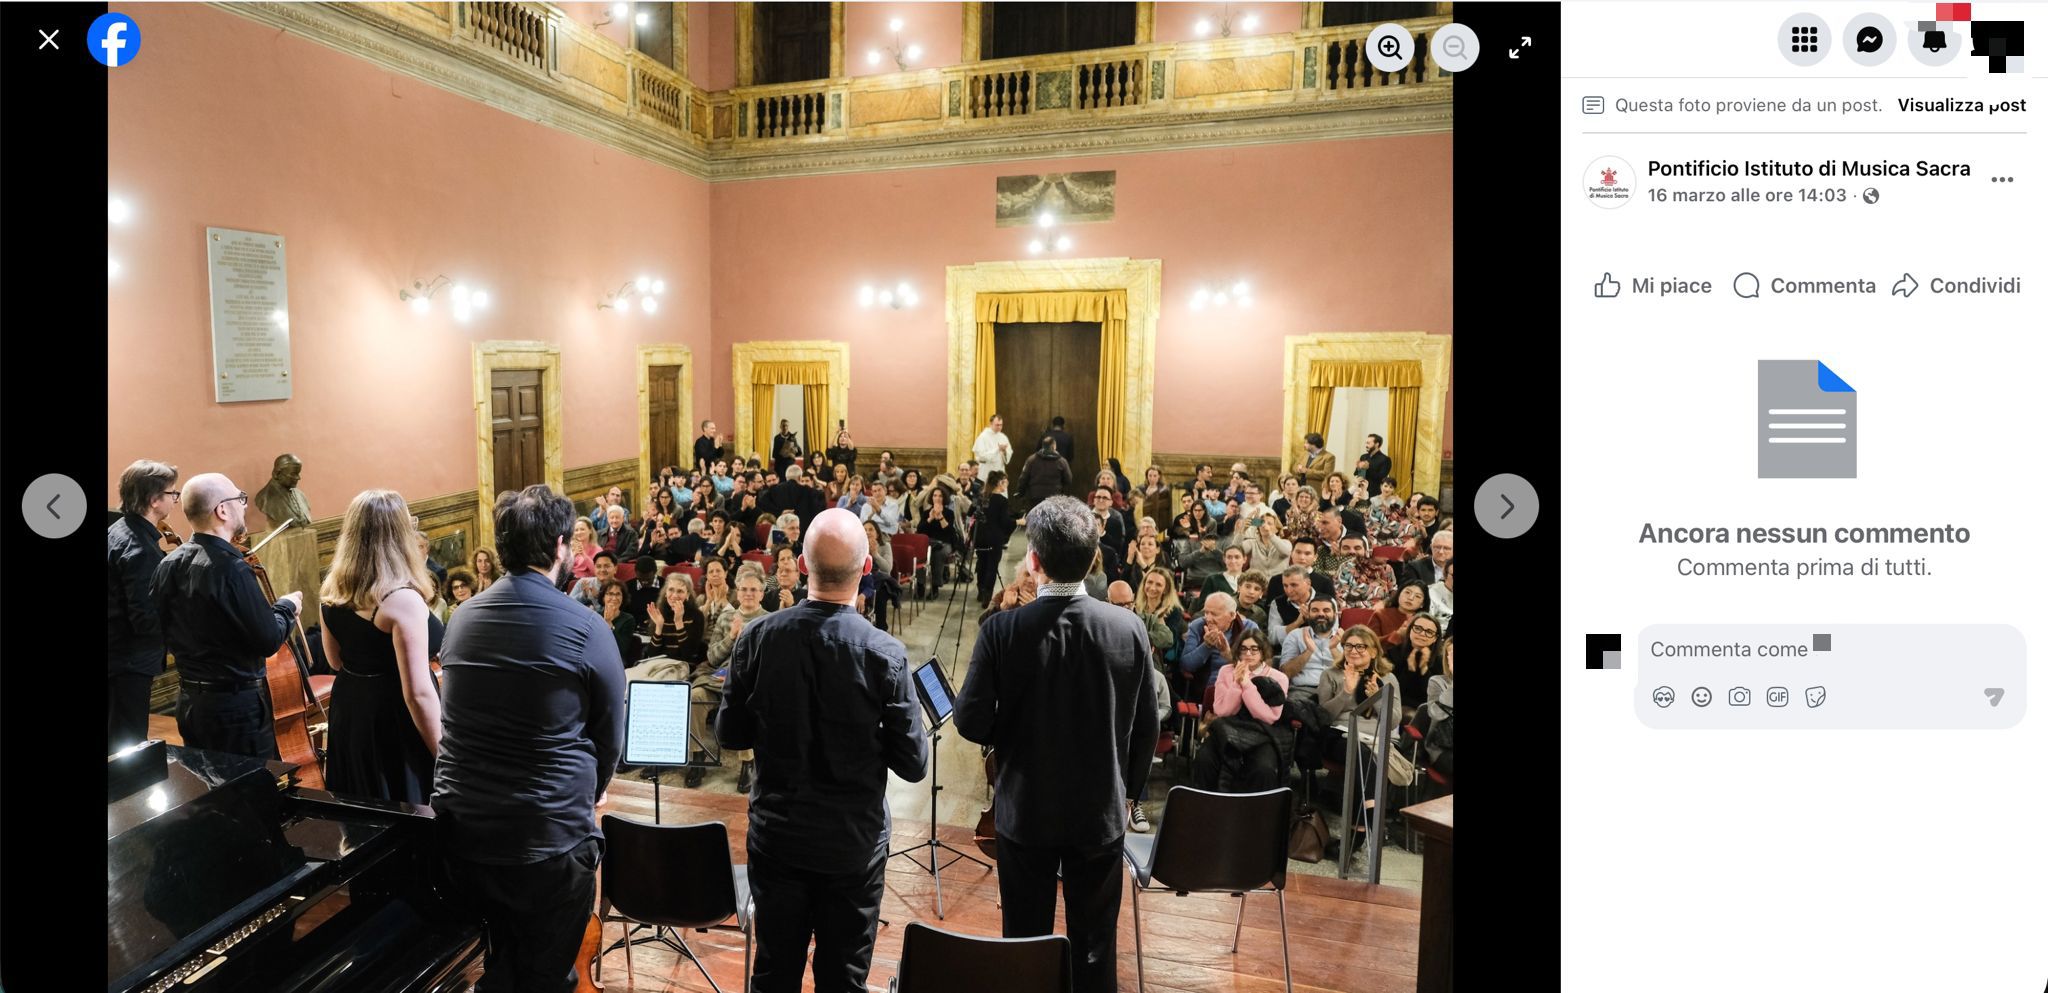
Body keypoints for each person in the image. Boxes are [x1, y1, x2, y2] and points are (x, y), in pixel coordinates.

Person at [715, 508, 926, 993]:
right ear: (867, 567)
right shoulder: (886, 654)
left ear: (803, 566)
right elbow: (913, 764)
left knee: (774, 974)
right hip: (852, 846)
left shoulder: (758, 638)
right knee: (844, 980)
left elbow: (730, 734)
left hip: (778, 838)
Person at [957, 496, 1158, 993]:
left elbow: (970, 721)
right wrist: (1128, 794)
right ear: (1092, 561)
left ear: (1033, 560)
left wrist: (1012, 726)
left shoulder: (1001, 630)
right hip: (1099, 811)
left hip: (1026, 809)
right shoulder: (1128, 627)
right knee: (1096, 945)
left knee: (1024, 942)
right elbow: (1147, 728)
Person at [432, 484, 626, 993]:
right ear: (561, 546)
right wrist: (593, 789)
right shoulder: (586, 627)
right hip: (545, 843)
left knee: (501, 966)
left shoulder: (462, 618)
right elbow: (610, 737)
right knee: (544, 976)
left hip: (463, 839)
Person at [151, 473, 305, 760]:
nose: (244, 506)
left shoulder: (167, 565)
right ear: (222, 510)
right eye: (240, 499)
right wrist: (287, 607)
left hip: (190, 704)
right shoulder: (231, 569)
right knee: (251, 783)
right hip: (236, 709)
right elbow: (268, 640)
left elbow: (160, 630)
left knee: (209, 782)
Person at [319, 490, 444, 805]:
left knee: (362, 807)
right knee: (406, 809)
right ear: (400, 535)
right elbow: (418, 694)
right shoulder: (401, 600)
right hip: (393, 717)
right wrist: (446, 759)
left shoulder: (333, 588)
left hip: (350, 710)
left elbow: (335, 661)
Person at [108, 459, 180, 753]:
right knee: (128, 744)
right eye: (172, 493)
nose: (175, 500)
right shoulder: (140, 548)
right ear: (154, 500)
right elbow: (146, 618)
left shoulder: (118, 530)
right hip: (129, 662)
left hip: (118, 657)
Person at [1313, 626, 1401, 822]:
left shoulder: (1388, 678)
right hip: (1340, 735)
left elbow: (1393, 721)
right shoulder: (1331, 674)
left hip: (1375, 738)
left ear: (1374, 651)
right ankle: (1369, 816)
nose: (1353, 651)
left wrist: (1377, 699)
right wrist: (1346, 692)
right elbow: (1324, 717)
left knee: (1367, 755)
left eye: (1361, 646)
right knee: (1362, 754)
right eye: (1349, 646)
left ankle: (1360, 825)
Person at [1191, 628, 1289, 793]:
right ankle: (1207, 804)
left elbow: (1269, 717)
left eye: (1254, 649)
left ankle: (1254, 808)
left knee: (1264, 769)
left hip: (1261, 732)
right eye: (1243, 649)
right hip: (1227, 728)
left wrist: (1247, 684)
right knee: (1204, 760)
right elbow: (1223, 711)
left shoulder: (1278, 678)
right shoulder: (1226, 671)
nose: (1248, 653)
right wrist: (1237, 683)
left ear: (1263, 651)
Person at [1180, 591, 1258, 691]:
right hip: (1207, 686)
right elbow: (1186, 665)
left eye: (1214, 614)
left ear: (1232, 615)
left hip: (1239, 685)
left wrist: (1229, 655)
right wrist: (1206, 645)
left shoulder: (1249, 628)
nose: (1208, 619)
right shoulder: (1198, 626)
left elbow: (1255, 666)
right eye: (1206, 612)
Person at [1278, 595, 1340, 706]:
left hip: (1337, 691)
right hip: (1303, 691)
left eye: (1326, 610)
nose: (1321, 614)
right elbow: (1286, 673)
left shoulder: (1345, 637)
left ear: (1335, 615)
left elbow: (1353, 671)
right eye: (1315, 610)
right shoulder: (1295, 636)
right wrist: (1309, 651)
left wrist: (1334, 650)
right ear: (1308, 615)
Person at [1387, 611, 1443, 719]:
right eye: (1418, 628)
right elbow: (1393, 692)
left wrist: (1424, 669)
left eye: (1429, 632)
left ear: (1435, 638)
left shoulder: (1440, 661)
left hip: (1426, 710)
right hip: (1397, 706)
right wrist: (1410, 669)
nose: (1422, 634)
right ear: (1410, 630)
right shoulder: (1393, 653)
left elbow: (1434, 699)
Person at [973, 470, 1014, 605]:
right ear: (1000, 483)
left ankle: (980, 591)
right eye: (1006, 481)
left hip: (979, 536)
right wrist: (1018, 522)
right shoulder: (1002, 500)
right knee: (992, 566)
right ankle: (987, 596)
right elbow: (1005, 522)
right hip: (994, 538)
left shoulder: (980, 497)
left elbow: (971, 512)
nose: (1007, 484)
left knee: (982, 563)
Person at [1371, 581, 1431, 650]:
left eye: (1417, 596)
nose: (1411, 598)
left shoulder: (1424, 622)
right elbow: (1370, 643)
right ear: (1399, 594)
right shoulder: (1380, 614)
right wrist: (1398, 635)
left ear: (1422, 604)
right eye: (1407, 592)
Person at [1018, 436, 1072, 511]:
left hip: (1035, 497)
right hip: (1054, 498)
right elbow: (1068, 480)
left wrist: (1020, 492)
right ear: (1054, 446)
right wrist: (1063, 494)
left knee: (1036, 517)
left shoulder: (1031, 460)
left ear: (1042, 446)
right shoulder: (1062, 461)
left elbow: (1023, 478)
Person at [972, 414, 1013, 481]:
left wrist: (1004, 451)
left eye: (1001, 425)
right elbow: (981, 455)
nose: (999, 427)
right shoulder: (983, 437)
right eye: (997, 425)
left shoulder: (1003, 437)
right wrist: (997, 450)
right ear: (991, 424)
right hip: (987, 470)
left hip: (999, 469)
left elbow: (1009, 453)